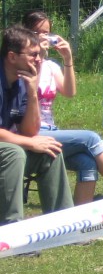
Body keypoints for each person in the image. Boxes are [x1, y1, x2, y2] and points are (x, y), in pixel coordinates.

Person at [22, 10, 103, 204]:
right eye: (37, 32)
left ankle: (81, 217)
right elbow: (30, 85)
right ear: (26, 33)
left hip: (51, 129)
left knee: (87, 161)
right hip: (32, 131)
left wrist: (68, 59)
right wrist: (37, 54)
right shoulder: (23, 65)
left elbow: (69, 92)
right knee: (91, 138)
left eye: (47, 32)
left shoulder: (50, 66)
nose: (43, 37)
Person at [1, 26, 73, 225]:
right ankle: (12, 228)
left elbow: (30, 131)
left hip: (7, 144)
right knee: (13, 153)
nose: (39, 59)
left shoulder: (22, 81)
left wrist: (32, 92)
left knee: (50, 149)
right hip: (6, 150)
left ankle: (65, 225)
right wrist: (29, 143)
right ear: (12, 56)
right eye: (33, 55)